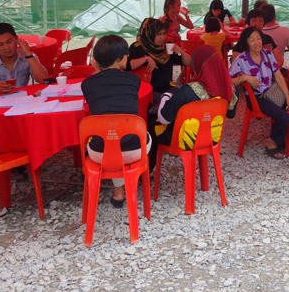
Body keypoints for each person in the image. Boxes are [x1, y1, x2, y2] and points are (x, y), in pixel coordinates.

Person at [81, 35, 150, 208]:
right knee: (125, 134)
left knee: (110, 137)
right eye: (126, 55)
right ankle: (122, 189)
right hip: (135, 150)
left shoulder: (87, 84)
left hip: (100, 153)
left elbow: (100, 91)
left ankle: (118, 192)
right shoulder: (134, 80)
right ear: (119, 59)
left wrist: (97, 70)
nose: (127, 58)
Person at [229, 27, 289, 159]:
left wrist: (288, 96)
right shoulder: (241, 60)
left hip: (273, 94)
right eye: (252, 40)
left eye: (258, 38)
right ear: (246, 43)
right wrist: (244, 78)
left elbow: (278, 76)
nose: (257, 42)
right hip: (257, 98)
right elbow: (228, 81)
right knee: (283, 117)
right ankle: (272, 143)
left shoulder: (267, 54)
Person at [153, 45, 238, 149]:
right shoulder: (231, 88)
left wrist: (166, 96)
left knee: (152, 118)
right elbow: (231, 114)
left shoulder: (189, 91)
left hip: (185, 141)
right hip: (212, 139)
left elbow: (164, 118)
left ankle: (152, 157)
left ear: (198, 65)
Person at [0, 22, 48, 103]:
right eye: (0, 44)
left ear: (16, 39)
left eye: (9, 42)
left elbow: (43, 80)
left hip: (22, 102)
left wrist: (28, 54)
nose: (6, 47)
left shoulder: (28, 57)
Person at [126, 18, 191, 93]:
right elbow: (128, 66)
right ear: (150, 34)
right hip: (147, 89)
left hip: (167, 87)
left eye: (164, 34)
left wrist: (181, 52)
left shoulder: (167, 47)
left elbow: (188, 63)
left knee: (184, 95)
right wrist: (146, 59)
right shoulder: (138, 47)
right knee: (165, 98)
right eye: (159, 34)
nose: (162, 37)